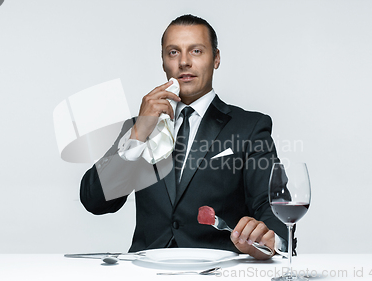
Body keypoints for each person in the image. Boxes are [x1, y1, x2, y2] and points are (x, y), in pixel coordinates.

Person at [80, 14, 290, 260]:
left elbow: (272, 208)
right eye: (173, 52)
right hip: (146, 271)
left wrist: (267, 241)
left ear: (216, 58)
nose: (184, 62)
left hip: (217, 272)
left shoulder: (250, 126)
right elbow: (95, 200)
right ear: (163, 62)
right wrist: (138, 134)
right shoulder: (139, 128)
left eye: (196, 51)